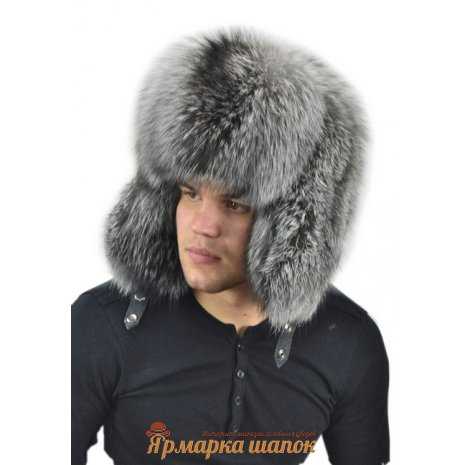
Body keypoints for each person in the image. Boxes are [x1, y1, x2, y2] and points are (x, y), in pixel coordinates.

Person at [72, 26, 390, 465]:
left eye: (236, 203)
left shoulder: (348, 343)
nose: (203, 226)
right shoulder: (102, 327)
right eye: (189, 192)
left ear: (295, 226)